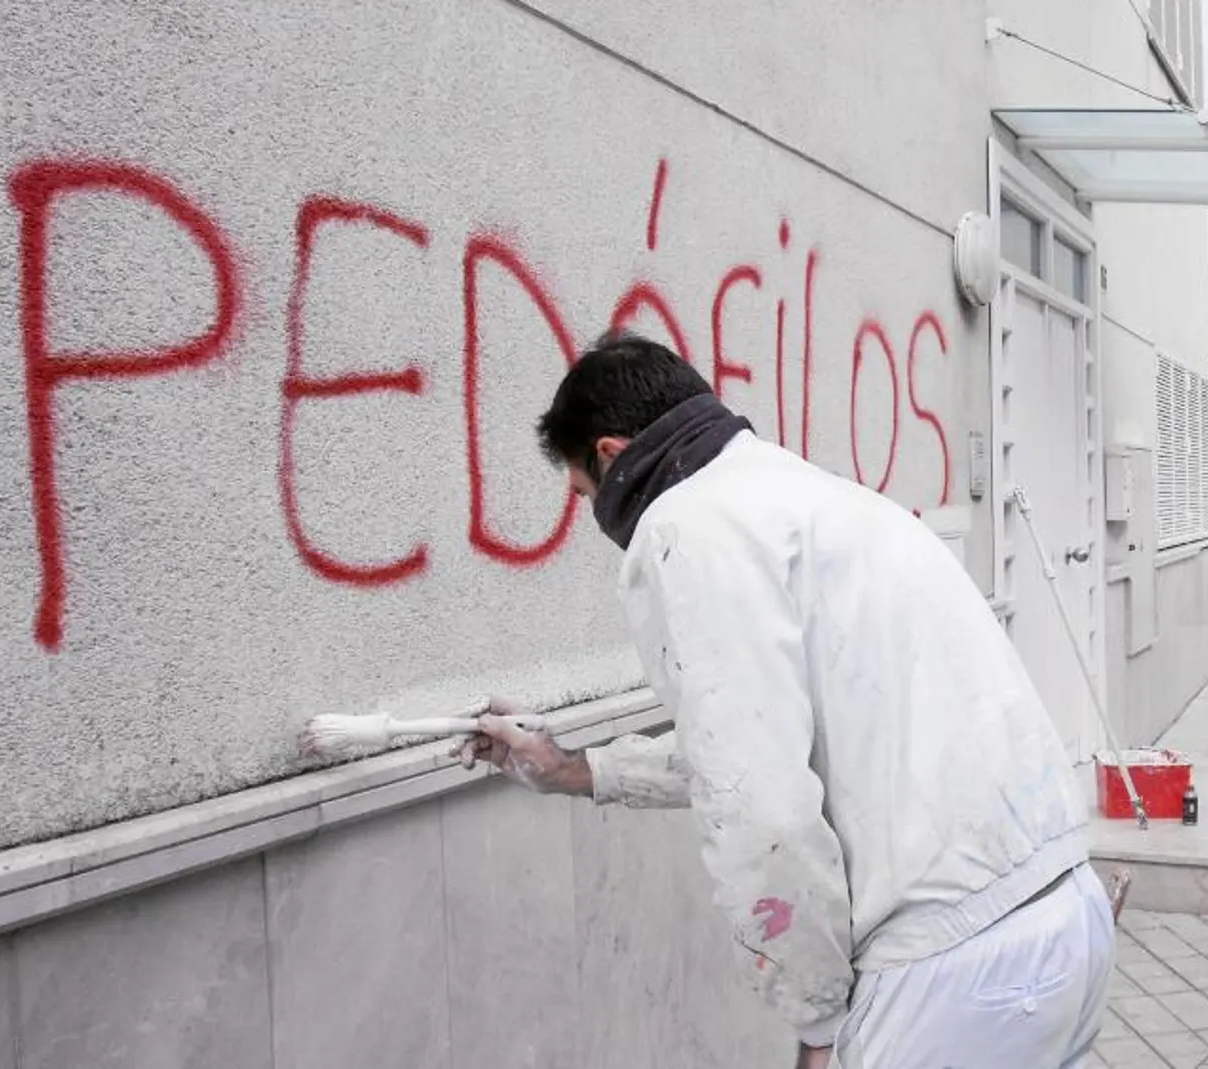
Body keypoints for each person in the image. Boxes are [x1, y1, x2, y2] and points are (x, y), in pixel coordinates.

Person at [455, 330, 1114, 1068]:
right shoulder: (813, 497)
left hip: (953, 970)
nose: (590, 512)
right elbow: (759, 744)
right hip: (1065, 918)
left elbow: (761, 807)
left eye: (583, 492)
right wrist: (575, 768)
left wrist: (818, 1023)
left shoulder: (686, 529)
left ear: (610, 456)